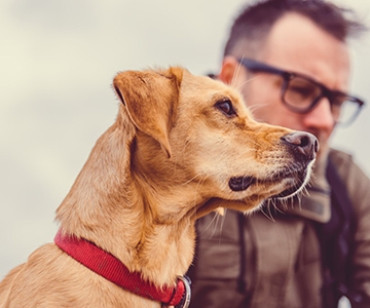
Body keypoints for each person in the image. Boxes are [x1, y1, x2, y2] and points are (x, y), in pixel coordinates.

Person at [187, 0, 370, 307]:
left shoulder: (347, 186)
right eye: (299, 89)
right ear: (230, 77)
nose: (324, 121)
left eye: (336, 102)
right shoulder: (157, 170)